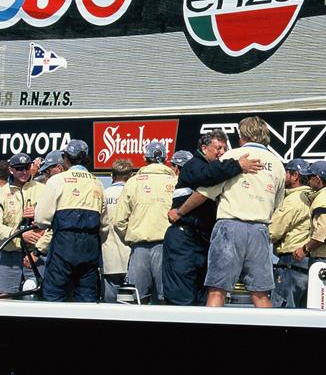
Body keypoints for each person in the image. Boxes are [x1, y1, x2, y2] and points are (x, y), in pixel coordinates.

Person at [175, 116, 285, 308]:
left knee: (217, 290)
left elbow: (205, 193)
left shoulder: (232, 157)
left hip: (230, 227)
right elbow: (278, 203)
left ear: (242, 135)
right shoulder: (277, 164)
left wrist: (180, 211)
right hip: (259, 229)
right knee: (260, 294)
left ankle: (210, 333)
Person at [165, 131, 261, 306]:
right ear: (204, 148)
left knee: (203, 296)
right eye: (218, 148)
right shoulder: (193, 166)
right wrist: (238, 165)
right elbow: (207, 176)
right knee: (182, 297)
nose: (222, 152)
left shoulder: (219, 173)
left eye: (225, 148)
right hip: (184, 240)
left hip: (204, 241)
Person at [34, 139, 107, 302]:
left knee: (54, 294)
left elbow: (41, 219)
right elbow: (105, 225)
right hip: (90, 247)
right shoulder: (98, 183)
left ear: (66, 158)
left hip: (63, 245)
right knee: (87, 297)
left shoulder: (57, 180)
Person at [113, 140, 176, 304]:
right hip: (167, 248)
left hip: (139, 247)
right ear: (166, 159)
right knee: (166, 300)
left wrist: (129, 239)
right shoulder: (176, 181)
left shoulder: (133, 182)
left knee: (136, 301)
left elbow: (119, 221)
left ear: (145, 159)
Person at [0, 153, 45, 295]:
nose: (23, 172)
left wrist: (38, 213)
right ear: (11, 170)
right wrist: (18, 235)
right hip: (9, 253)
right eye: (19, 168)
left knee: (39, 297)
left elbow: (53, 218)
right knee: (4, 296)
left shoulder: (42, 189)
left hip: (36, 253)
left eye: (27, 167)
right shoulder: (1, 194)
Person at [294, 160, 326, 307]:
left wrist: (304, 249)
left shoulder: (322, 199)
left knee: (321, 305)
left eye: (309, 178)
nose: (307, 181)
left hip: (324, 259)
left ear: (317, 179)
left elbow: (324, 231)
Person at [269, 158, 312, 308]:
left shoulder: (293, 200)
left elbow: (272, 231)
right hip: (308, 262)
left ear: (295, 176)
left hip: (291, 263)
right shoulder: (312, 197)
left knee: (282, 310)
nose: (283, 176)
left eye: (286, 173)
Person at [101, 159, 134, 302]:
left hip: (108, 256)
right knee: (129, 303)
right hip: (131, 255)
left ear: (111, 175)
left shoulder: (103, 194)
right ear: (131, 176)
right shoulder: (133, 195)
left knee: (109, 306)